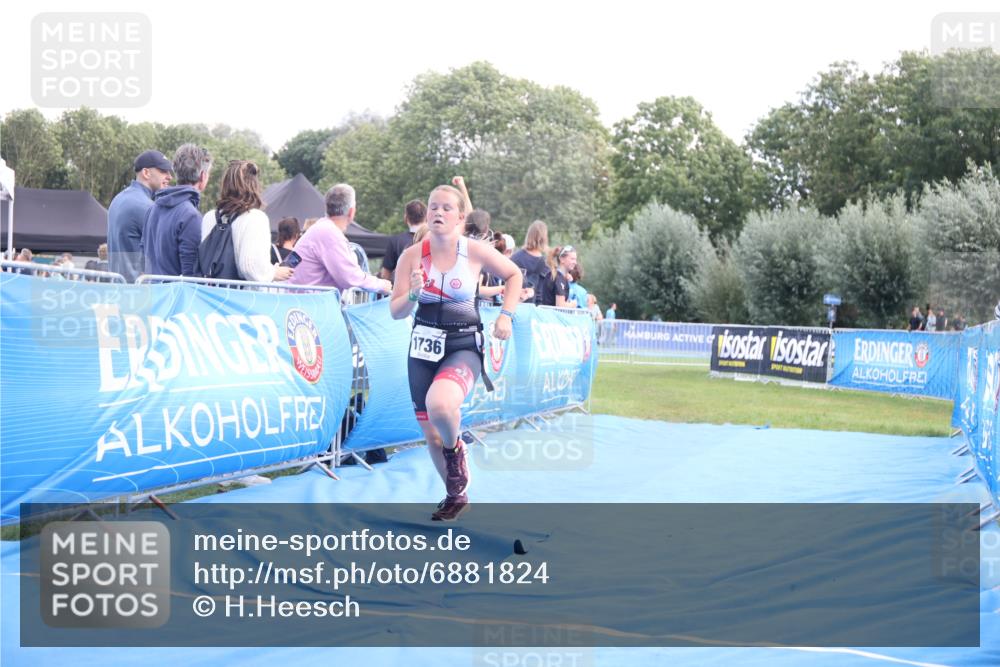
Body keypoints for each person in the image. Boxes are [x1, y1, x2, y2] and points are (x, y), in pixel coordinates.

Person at [389, 184, 522, 521]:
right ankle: (455, 494)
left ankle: (456, 449)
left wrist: (506, 315)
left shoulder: (474, 251)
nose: (438, 212)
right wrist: (415, 295)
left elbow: (514, 274)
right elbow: (396, 311)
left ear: (461, 218)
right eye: (433, 206)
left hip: (462, 345)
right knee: (431, 433)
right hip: (422, 348)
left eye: (447, 208)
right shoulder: (412, 256)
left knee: (441, 405)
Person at [201, 160, 293, 283]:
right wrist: (273, 273)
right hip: (242, 298)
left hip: (210, 294)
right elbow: (250, 267)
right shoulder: (255, 218)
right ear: (253, 185)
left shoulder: (209, 217)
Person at [287, 184, 391, 293]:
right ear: (352, 212)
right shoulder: (330, 234)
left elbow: (289, 264)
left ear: (327, 207)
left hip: (300, 302)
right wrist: (381, 284)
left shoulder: (318, 229)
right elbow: (350, 277)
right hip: (312, 305)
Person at [143, 144, 212, 277]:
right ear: (203, 176)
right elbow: (191, 276)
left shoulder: (152, 209)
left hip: (153, 294)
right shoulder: (191, 216)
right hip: (176, 296)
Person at [107, 149, 173, 282]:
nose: (169, 177)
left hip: (118, 289)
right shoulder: (146, 207)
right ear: (146, 173)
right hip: (139, 293)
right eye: (163, 171)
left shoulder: (117, 199)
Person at [380, 200, 427, 280]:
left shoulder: (395, 241)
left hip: (404, 290)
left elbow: (385, 275)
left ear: (406, 218)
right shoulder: (436, 240)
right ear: (426, 217)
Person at [511, 220, 549, 304]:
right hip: (532, 308)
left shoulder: (516, 257)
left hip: (513, 303)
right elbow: (541, 293)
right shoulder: (545, 263)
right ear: (544, 238)